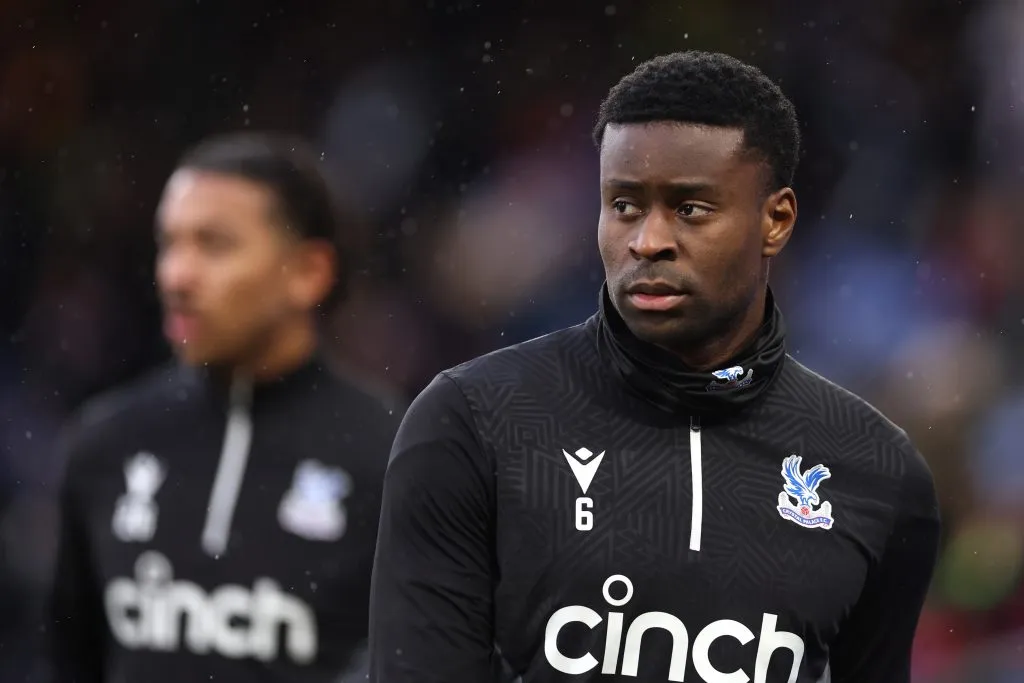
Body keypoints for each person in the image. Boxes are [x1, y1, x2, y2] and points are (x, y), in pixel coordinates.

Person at [368, 51, 941, 683]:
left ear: (775, 220)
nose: (648, 240)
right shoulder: (473, 421)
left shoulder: (877, 470)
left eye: (690, 209)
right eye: (625, 205)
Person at [48, 131, 403, 683]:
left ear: (309, 272)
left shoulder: (397, 453)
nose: (176, 276)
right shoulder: (106, 442)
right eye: (169, 244)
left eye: (214, 245)